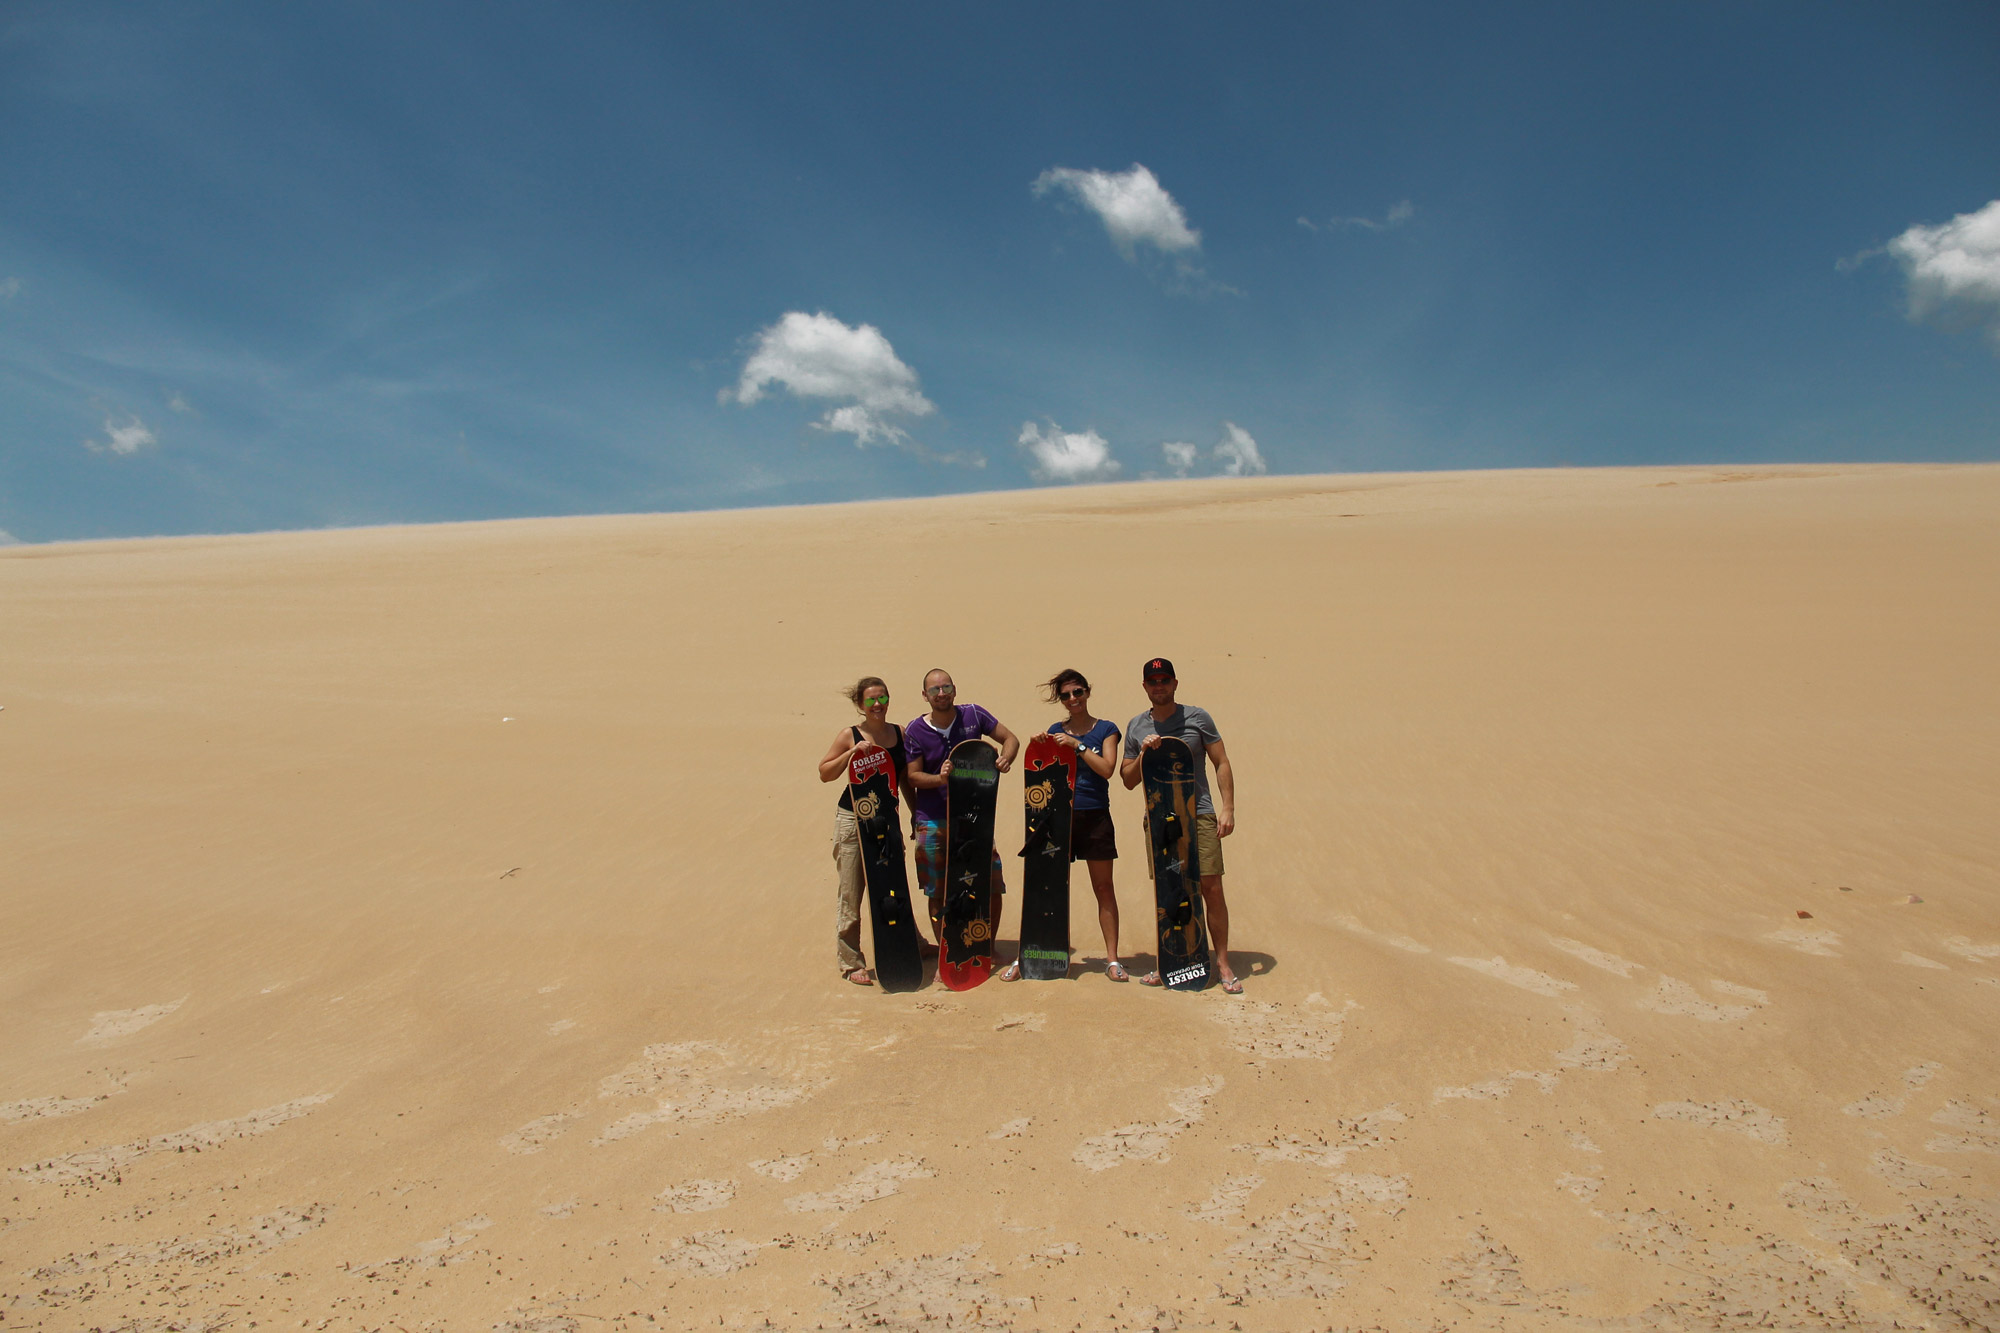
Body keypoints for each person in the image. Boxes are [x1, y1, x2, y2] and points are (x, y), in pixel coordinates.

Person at [1120, 657, 1242, 994]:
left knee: (1210, 887)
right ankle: (1170, 960)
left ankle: (1221, 961)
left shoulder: (1197, 718)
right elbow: (1128, 780)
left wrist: (1227, 807)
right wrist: (1144, 754)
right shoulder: (1136, 726)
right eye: (1153, 681)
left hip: (1199, 813)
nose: (1159, 686)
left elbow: (1221, 761)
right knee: (1169, 889)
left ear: (1175, 684)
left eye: (1165, 680)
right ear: (1145, 687)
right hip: (1159, 818)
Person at [904, 669, 1020, 971]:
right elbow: (913, 776)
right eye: (934, 690)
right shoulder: (915, 730)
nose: (941, 693)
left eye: (946, 687)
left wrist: (1005, 758)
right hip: (933, 821)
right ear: (925, 695)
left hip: (975, 819)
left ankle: (988, 948)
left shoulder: (973, 715)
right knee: (938, 890)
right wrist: (940, 779)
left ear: (954, 690)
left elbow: (1010, 738)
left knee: (992, 883)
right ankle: (946, 950)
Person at [817, 676, 920, 986]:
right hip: (853, 820)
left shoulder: (900, 734)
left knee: (894, 882)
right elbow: (825, 772)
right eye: (871, 700)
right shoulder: (849, 735)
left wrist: (916, 815)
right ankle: (851, 961)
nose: (877, 705)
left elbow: (902, 778)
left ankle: (911, 941)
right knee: (852, 890)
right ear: (860, 705)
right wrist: (852, 753)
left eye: (883, 698)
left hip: (887, 818)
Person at [1041, 668, 1127, 981]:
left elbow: (1106, 768)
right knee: (1052, 889)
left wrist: (1076, 746)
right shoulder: (1056, 729)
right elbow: (1044, 771)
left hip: (1095, 816)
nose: (1073, 699)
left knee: (1104, 887)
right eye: (1066, 695)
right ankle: (1050, 953)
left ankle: (1113, 959)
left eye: (1078, 692)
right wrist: (1044, 745)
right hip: (1060, 817)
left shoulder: (1107, 729)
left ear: (1087, 692)